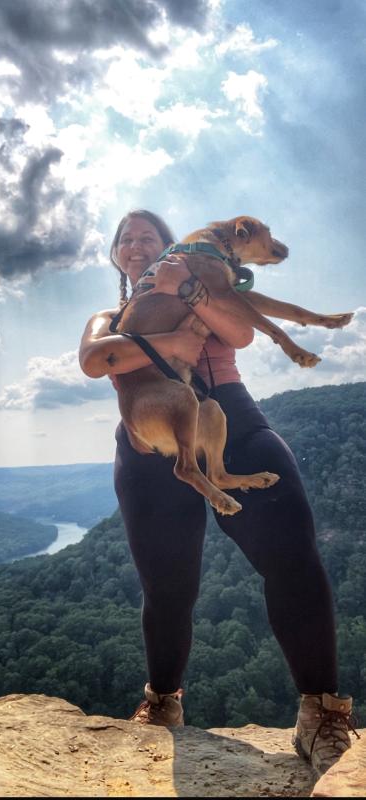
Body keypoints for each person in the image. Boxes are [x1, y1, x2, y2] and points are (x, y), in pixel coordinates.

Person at [79, 209, 357, 777]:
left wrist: (185, 290)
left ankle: (322, 712)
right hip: (150, 435)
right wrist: (174, 333)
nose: (136, 245)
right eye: (125, 239)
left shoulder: (195, 277)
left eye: (148, 237)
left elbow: (238, 331)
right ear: (115, 256)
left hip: (230, 412)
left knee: (292, 557)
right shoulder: (107, 314)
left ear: (168, 245)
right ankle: (163, 701)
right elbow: (94, 357)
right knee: (167, 585)